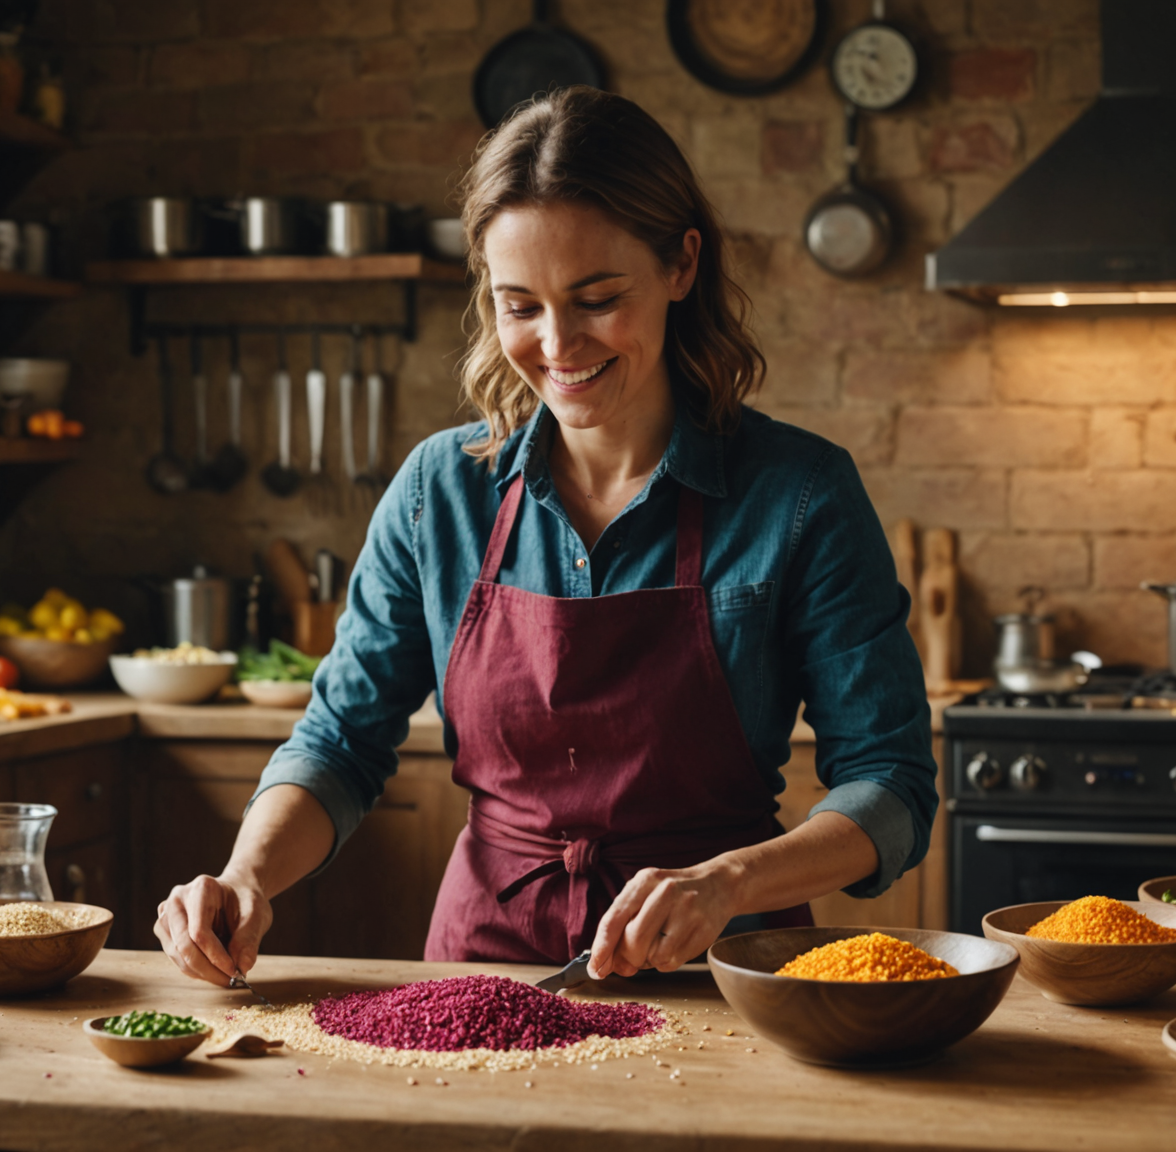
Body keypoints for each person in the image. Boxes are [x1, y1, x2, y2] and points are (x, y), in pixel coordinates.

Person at [155, 87, 937, 984]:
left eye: (597, 297)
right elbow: (339, 742)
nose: (558, 345)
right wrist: (248, 873)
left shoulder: (799, 495)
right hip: (485, 970)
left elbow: (891, 785)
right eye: (519, 305)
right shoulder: (438, 492)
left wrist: (727, 882)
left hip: (723, 966)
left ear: (682, 264)